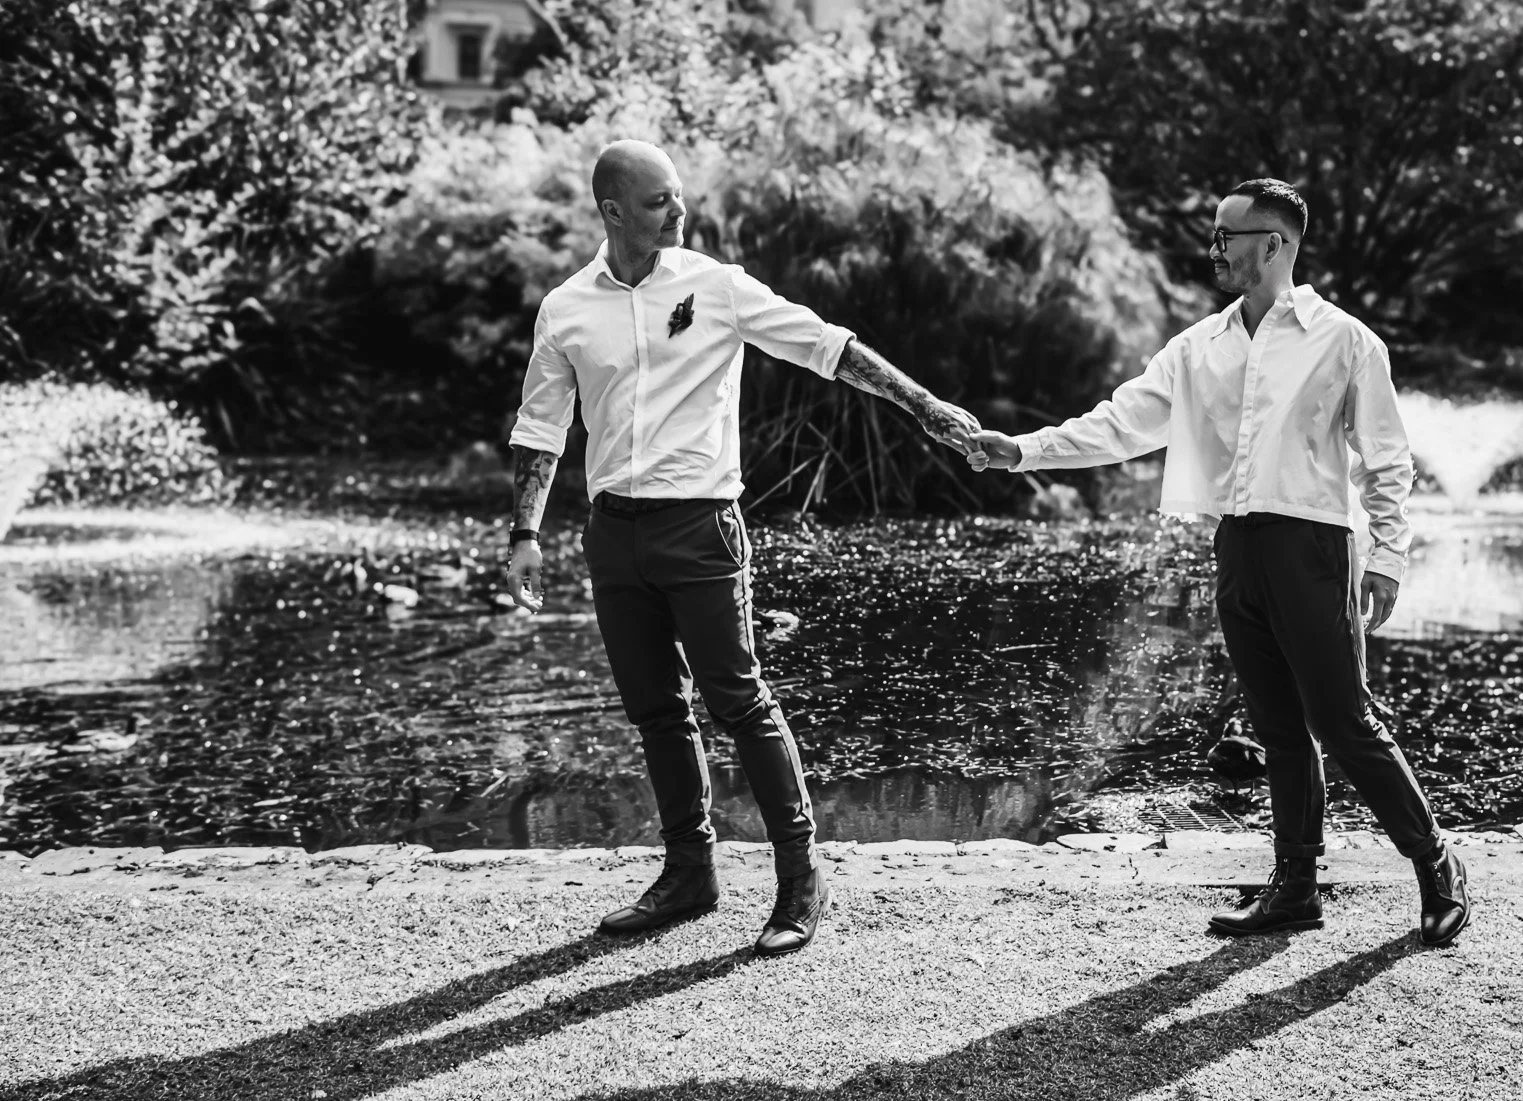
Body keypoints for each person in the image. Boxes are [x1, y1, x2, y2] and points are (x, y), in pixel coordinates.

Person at [503, 139, 978, 957]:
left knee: (740, 700)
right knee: (656, 708)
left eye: (679, 196)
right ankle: (690, 873)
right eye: (660, 202)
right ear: (612, 210)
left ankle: (800, 877)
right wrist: (525, 532)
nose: (679, 212)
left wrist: (924, 404)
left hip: (702, 527)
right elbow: (541, 425)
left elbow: (827, 346)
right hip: (614, 534)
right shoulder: (566, 307)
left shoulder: (715, 286)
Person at [966, 179, 1470, 946]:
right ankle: (1295, 888)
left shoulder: (1346, 340)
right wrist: (1023, 451)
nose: (1214, 249)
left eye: (1227, 235)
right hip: (1237, 547)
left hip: (1314, 548)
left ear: (1274, 244)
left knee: (1343, 720)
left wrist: (1389, 557)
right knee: (1276, 724)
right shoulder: (1200, 345)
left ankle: (1436, 863)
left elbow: (1387, 463)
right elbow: (1119, 424)